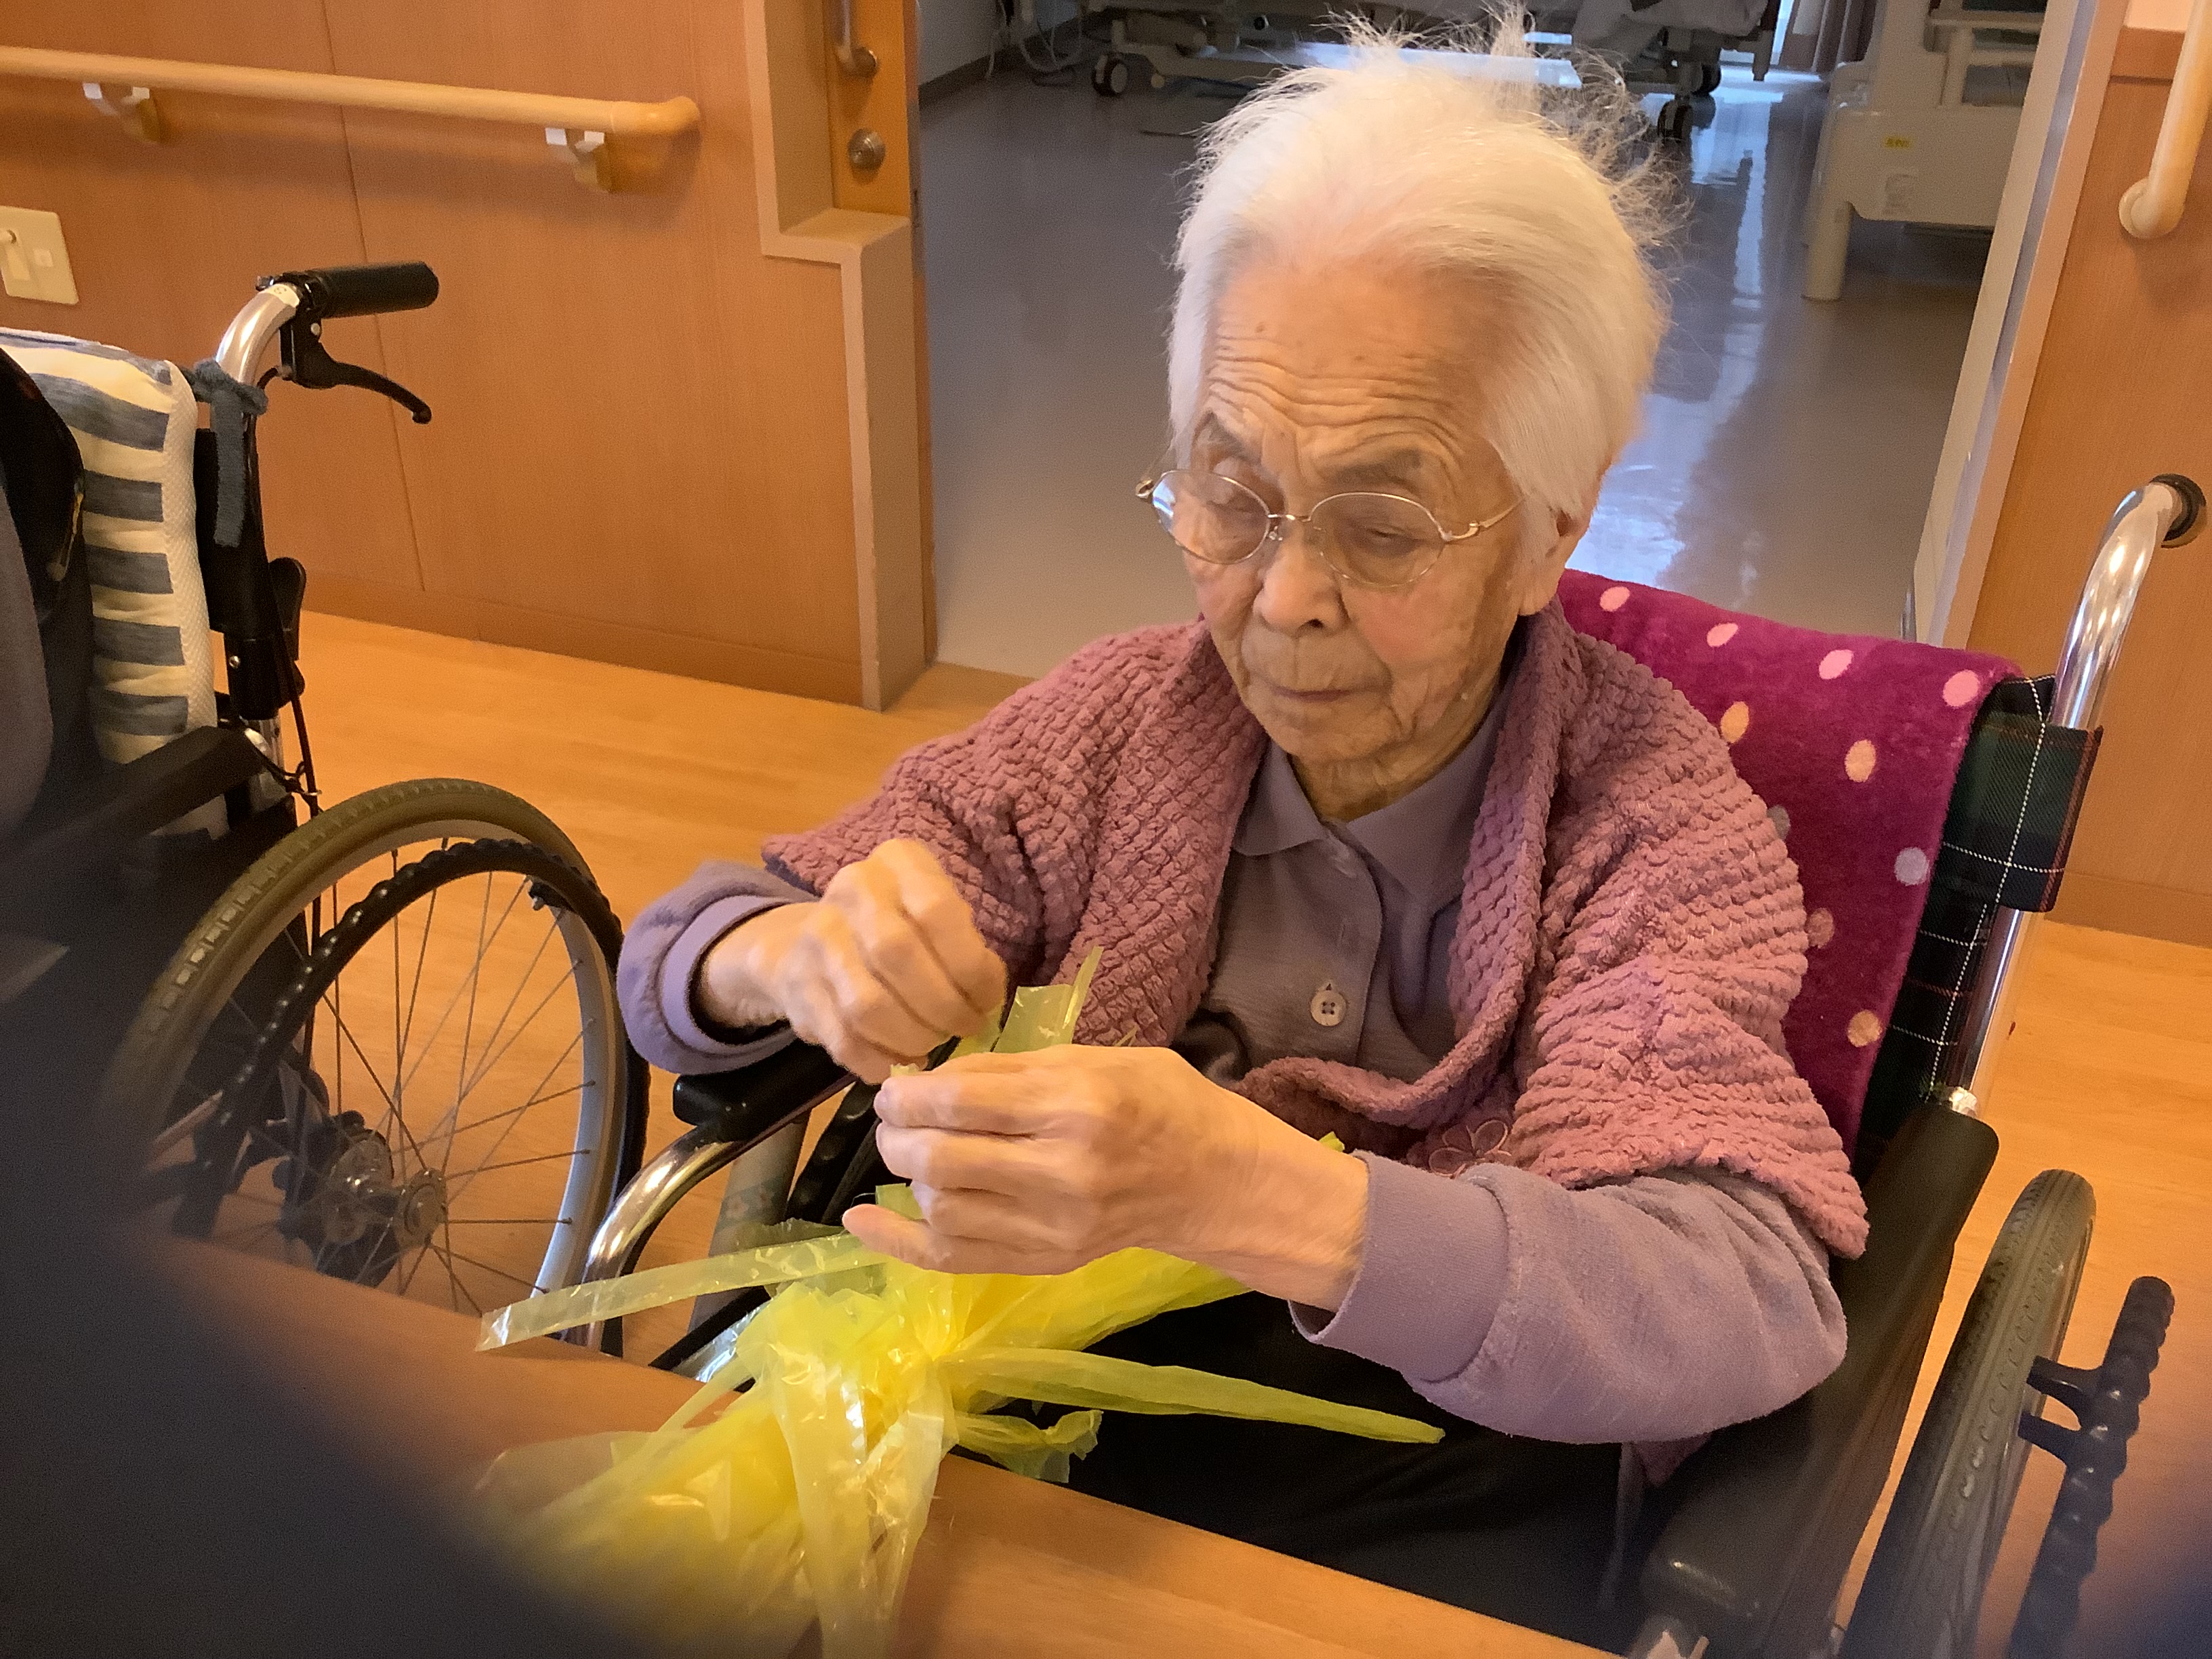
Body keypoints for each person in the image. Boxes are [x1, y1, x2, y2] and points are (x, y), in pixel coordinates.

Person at [621, 20, 1865, 1646]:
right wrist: (791, 957)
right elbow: (679, 958)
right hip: (1009, 1428)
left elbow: (1745, 1295)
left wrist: (1264, 1200)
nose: (1281, 600)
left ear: (1550, 531)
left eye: (1383, 523)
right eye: (1231, 492)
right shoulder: (1114, 728)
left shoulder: (1644, 830)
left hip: (1404, 1487)